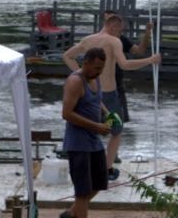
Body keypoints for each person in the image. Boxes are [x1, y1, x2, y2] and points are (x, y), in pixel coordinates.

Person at [61, 12, 161, 182]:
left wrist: (80, 74)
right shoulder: (113, 40)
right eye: (119, 30)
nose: (120, 34)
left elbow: (67, 56)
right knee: (116, 130)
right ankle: (106, 168)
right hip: (108, 93)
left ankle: (89, 166)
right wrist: (150, 60)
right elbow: (124, 64)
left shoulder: (88, 40)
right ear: (112, 26)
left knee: (90, 129)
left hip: (89, 92)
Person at [60, 47, 111, 218]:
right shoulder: (75, 81)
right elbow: (66, 113)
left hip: (94, 142)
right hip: (78, 143)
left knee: (99, 184)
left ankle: (72, 214)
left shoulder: (95, 78)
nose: (99, 72)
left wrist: (106, 113)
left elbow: (96, 102)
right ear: (86, 62)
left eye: (102, 68)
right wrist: (96, 126)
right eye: (96, 68)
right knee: (82, 191)